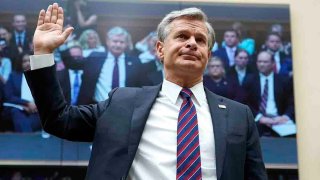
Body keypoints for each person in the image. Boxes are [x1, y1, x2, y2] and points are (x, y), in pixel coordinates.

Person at [25, 3, 267, 179]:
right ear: (160, 50)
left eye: (200, 40)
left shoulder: (239, 116)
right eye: (182, 36)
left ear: (208, 55)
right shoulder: (122, 103)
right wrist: (43, 54)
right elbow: (59, 119)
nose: (192, 43)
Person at [244, 51, 294, 137]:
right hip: (258, 120)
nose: (262, 64)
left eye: (265, 62)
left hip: (280, 120)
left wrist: (285, 117)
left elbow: (291, 103)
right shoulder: (249, 80)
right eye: (259, 62)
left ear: (273, 64)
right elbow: (245, 102)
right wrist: (260, 118)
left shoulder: (283, 81)